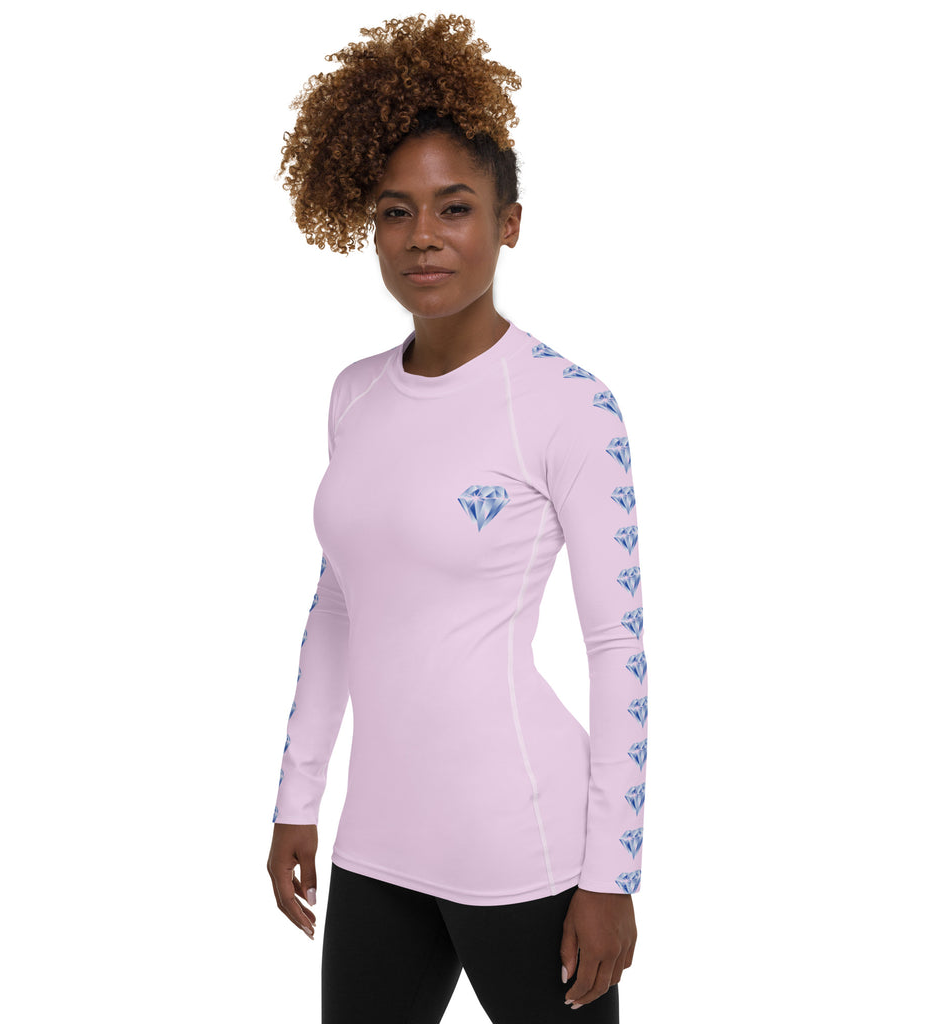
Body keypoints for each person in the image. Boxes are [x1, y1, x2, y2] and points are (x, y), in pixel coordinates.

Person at [265, 14, 648, 1023]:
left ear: (508, 223)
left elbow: (615, 648)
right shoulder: (354, 393)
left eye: (455, 207)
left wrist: (611, 873)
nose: (423, 235)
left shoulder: (569, 404)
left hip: (522, 844)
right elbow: (339, 606)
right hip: (378, 843)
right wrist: (297, 796)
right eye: (396, 211)